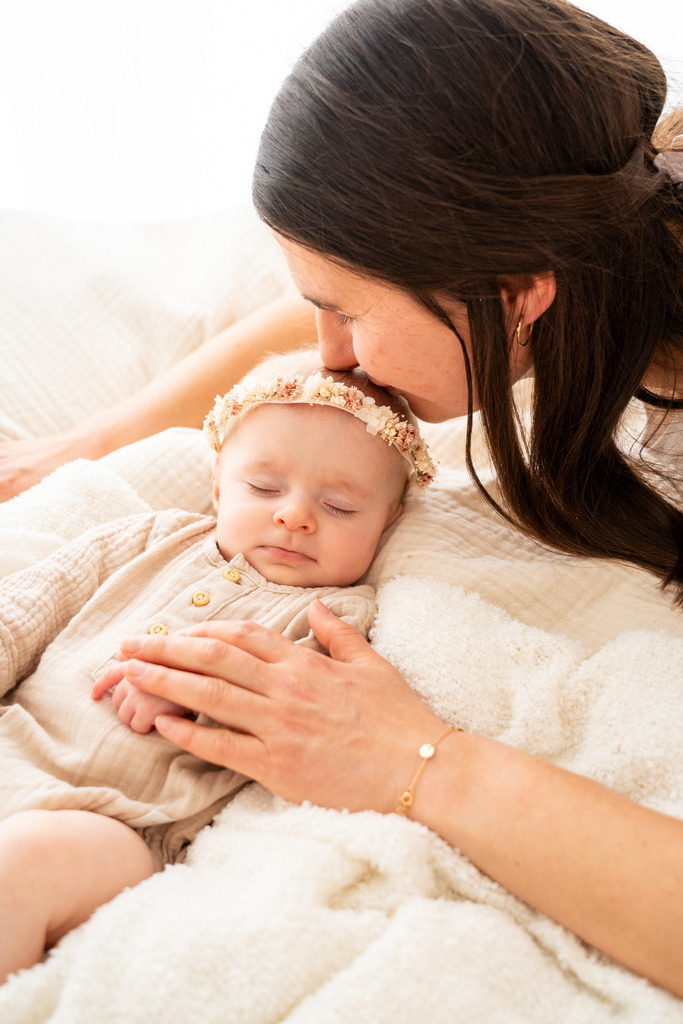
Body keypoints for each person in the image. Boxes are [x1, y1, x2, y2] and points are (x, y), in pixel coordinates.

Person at [0, 0, 682, 996]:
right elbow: (319, 292)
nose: (325, 360)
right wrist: (92, 443)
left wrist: (419, 761)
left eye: (345, 316)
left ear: (514, 297)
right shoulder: (602, 220)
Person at [0, 350, 433, 983]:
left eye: (339, 506)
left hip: (116, 825)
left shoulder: (336, 618)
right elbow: (29, 607)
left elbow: (309, 724)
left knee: (19, 871)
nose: (293, 515)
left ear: (388, 522)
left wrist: (197, 695)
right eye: (262, 489)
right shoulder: (150, 539)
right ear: (217, 486)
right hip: (13, 746)